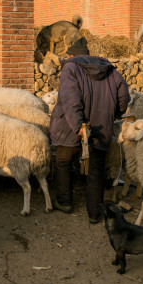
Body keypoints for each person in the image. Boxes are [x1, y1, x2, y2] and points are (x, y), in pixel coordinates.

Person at [49, 36, 131, 223]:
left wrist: (78, 126)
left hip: (72, 127)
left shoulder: (70, 68)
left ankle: (64, 201)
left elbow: (71, 99)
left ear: (71, 55)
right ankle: (94, 213)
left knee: (63, 161)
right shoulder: (111, 70)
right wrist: (116, 113)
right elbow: (124, 97)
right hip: (101, 127)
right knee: (95, 169)